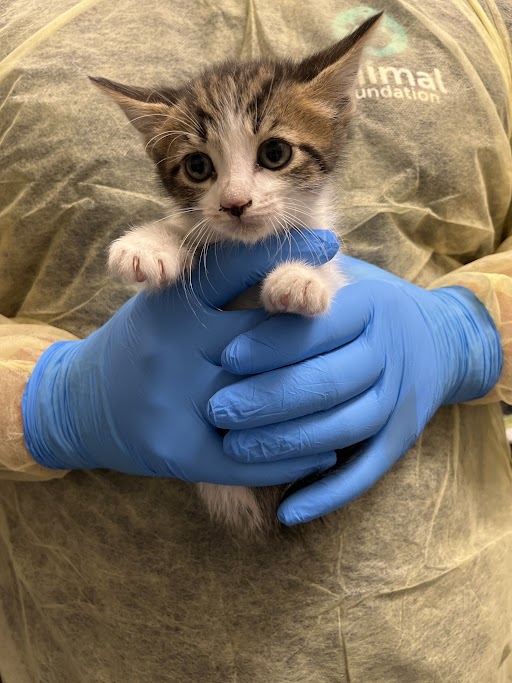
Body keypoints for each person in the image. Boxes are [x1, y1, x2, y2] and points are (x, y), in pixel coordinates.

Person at [1, 0, 511, 681]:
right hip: (98, 647)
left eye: (273, 154)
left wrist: (466, 333)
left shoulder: (472, 18)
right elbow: (171, 240)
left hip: (437, 641)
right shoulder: (19, 27)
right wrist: (50, 401)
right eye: (200, 167)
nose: (237, 196)